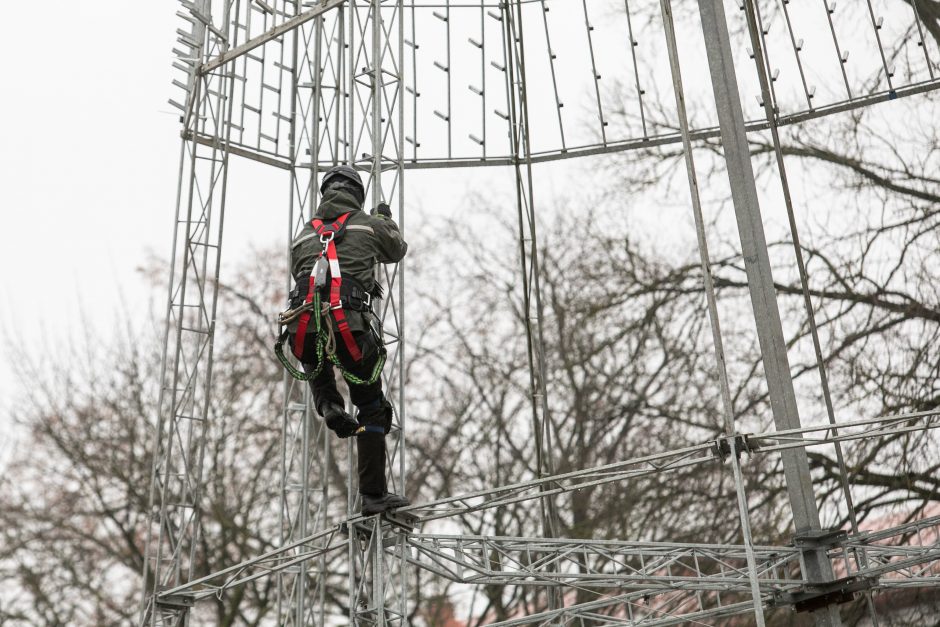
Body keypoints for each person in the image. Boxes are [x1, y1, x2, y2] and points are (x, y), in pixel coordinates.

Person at [287, 164, 409, 516]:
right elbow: (395, 249)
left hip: (303, 327)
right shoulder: (367, 224)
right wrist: (384, 218)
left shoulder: (301, 237)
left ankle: (327, 403)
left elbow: (302, 276)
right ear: (357, 194)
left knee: (315, 354)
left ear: (324, 194)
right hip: (350, 326)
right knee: (371, 406)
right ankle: (373, 496)